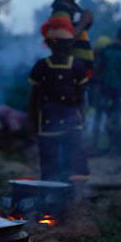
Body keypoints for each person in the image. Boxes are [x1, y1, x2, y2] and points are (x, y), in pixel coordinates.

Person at [29, 16, 89, 182]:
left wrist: (81, 115)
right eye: (60, 43)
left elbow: (81, 95)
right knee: (49, 159)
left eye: (67, 43)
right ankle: (49, 191)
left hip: (72, 121)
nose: (64, 47)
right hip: (48, 121)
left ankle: (76, 192)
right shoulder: (41, 67)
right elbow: (34, 97)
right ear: (51, 44)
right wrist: (32, 122)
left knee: (75, 157)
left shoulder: (77, 66)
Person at [93, 27, 121, 151]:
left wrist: (96, 84)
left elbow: (98, 69)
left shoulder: (106, 50)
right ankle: (113, 144)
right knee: (115, 115)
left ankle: (96, 143)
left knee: (99, 114)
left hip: (104, 86)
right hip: (118, 89)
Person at [51, 0, 94, 74]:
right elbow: (63, 45)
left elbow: (74, 35)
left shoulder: (73, 8)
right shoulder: (61, 9)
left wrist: (86, 25)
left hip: (79, 75)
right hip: (70, 77)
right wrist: (83, 22)